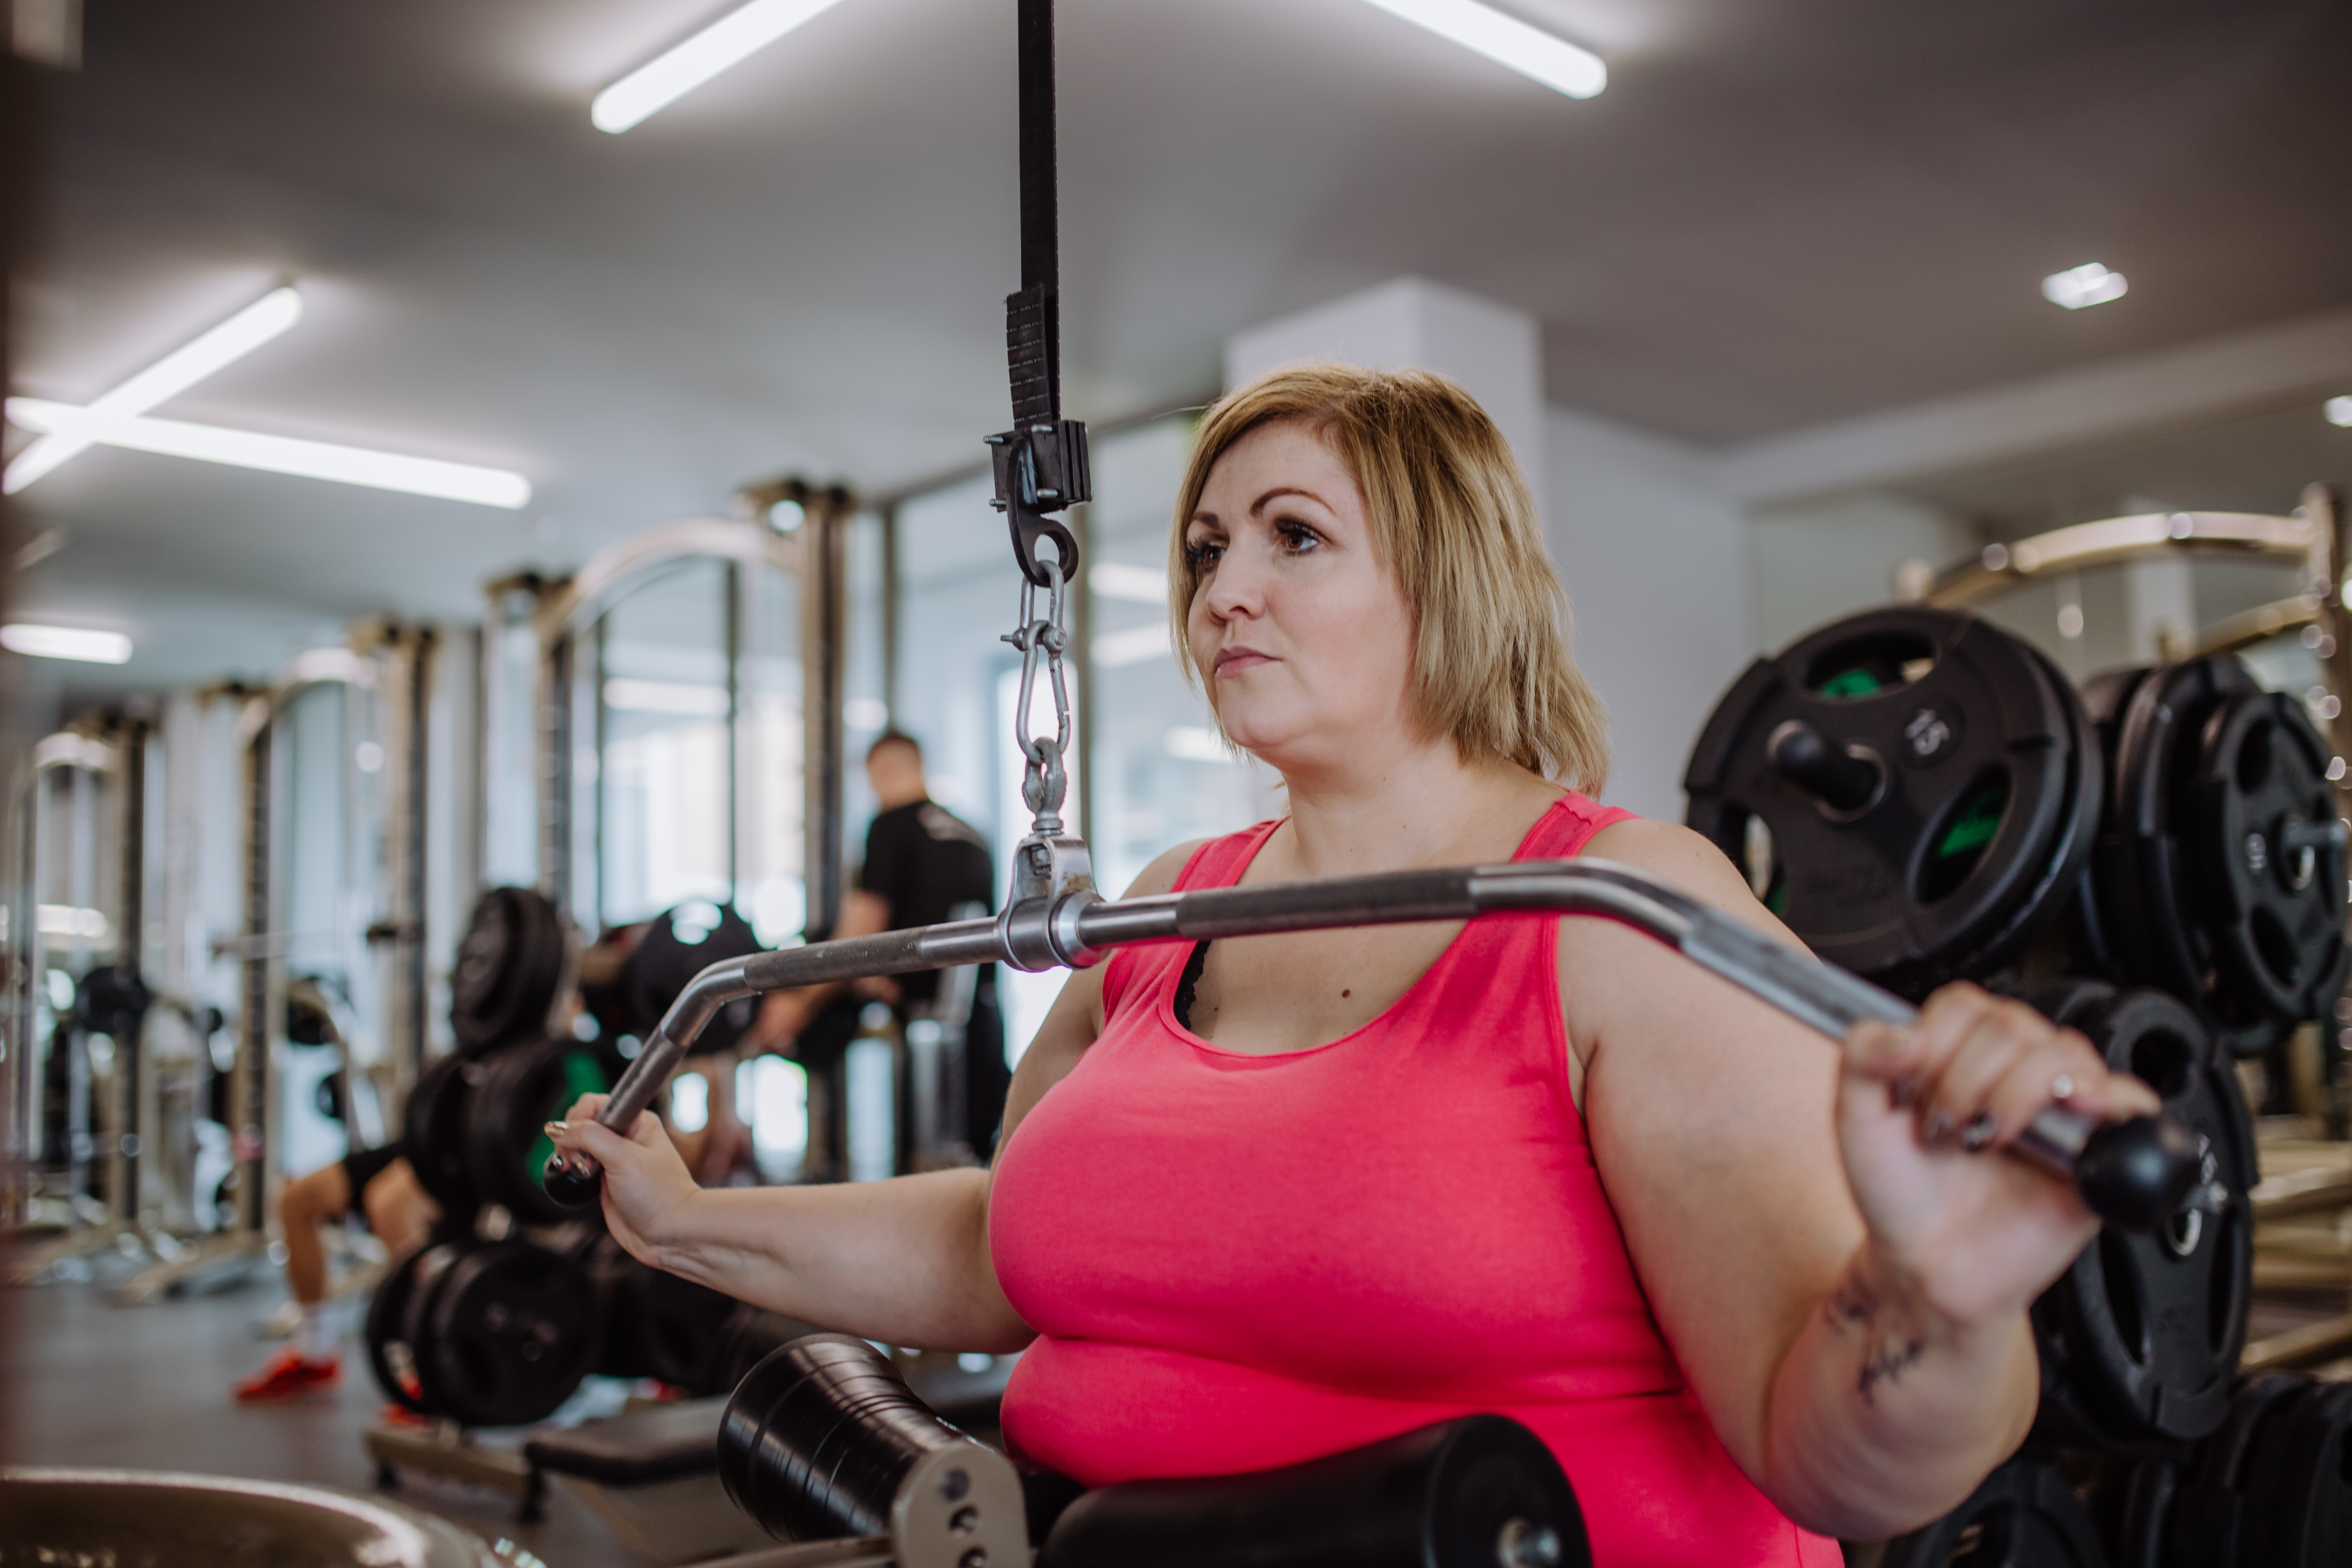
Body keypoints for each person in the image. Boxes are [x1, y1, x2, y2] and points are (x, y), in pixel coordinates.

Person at [552, 365, 2159, 1563]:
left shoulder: (1620, 911)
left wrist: (1936, 1299)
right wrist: (690, 1222)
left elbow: (1839, 1462)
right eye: (1204, 548)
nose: (1219, 589)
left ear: (1443, 580)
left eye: (1292, 536)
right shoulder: (1164, 907)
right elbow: (1001, 1242)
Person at [745, 731, 1004, 1169]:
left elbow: (858, 936)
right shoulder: (973, 835)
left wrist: (798, 1004)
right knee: (968, 1172)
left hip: (915, 1020)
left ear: (880, 771)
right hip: (979, 1026)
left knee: (918, 1174)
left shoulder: (889, 826)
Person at [233, 1143, 437, 1402]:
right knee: (296, 1199)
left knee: (388, 1206)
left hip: (470, 1140)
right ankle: (314, 1354)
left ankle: (428, 1373)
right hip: (418, 1138)